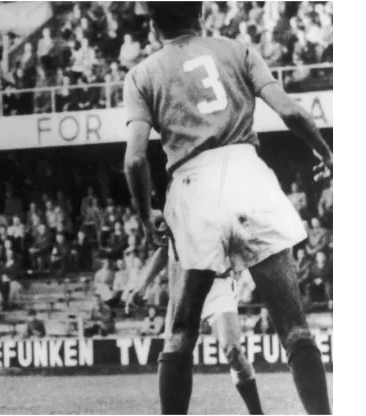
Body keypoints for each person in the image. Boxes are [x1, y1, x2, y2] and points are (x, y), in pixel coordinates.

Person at [122, 3, 332, 414]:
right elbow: (289, 111)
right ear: (200, 15)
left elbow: (134, 160)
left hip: (192, 184)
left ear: (152, 25)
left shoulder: (142, 74)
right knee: (295, 329)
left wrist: (147, 212)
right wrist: (327, 154)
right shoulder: (236, 50)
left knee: (180, 333)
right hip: (247, 172)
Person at [125, 215, 264, 414]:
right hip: (183, 287)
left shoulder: (222, 200)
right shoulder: (179, 203)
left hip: (217, 284)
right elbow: (165, 249)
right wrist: (141, 287)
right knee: (175, 353)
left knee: (232, 350)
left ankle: (257, 412)